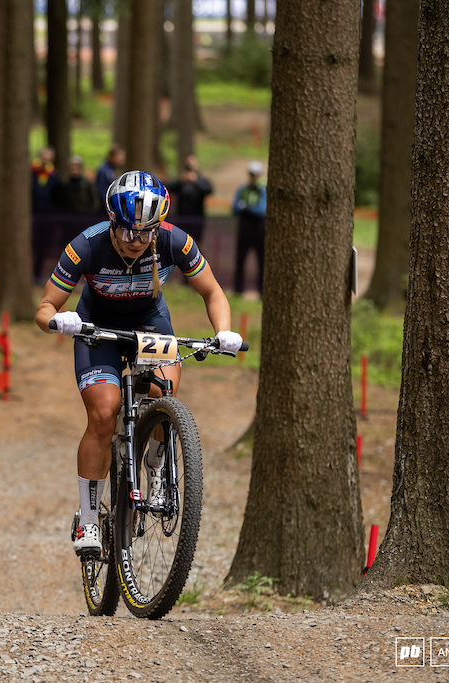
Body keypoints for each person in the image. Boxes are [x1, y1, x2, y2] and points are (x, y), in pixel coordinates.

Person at [35, 171, 242, 556]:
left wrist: (224, 330)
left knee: (166, 390)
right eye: (129, 232)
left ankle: (158, 466)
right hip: (97, 328)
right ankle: (89, 518)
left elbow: (213, 290)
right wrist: (57, 319)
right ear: (112, 223)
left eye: (145, 233)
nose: (137, 241)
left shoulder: (174, 240)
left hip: (150, 324)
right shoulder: (86, 246)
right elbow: (45, 307)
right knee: (103, 413)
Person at [232, 161, 267, 295]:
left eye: (255, 174)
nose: (253, 177)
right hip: (244, 228)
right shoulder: (243, 189)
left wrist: (246, 208)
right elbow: (235, 207)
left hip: (259, 229)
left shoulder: (262, 190)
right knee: (240, 259)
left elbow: (262, 210)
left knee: (261, 261)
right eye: (251, 174)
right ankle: (238, 290)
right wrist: (248, 209)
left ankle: (261, 291)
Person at [170, 154, 213, 242]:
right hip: (182, 217)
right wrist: (181, 181)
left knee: (197, 242)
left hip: (197, 218)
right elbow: (171, 188)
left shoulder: (201, 180)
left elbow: (209, 190)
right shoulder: (182, 180)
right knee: (180, 241)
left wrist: (196, 181)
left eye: (192, 163)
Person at [31, 146, 59, 214]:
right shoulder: (32, 171)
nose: (45, 161)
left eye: (47, 159)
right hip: (34, 208)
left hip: (49, 209)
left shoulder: (53, 174)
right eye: (43, 158)